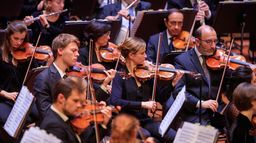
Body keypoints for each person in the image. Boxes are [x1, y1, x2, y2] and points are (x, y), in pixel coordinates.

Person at [110, 37, 183, 142]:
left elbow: (161, 98)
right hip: (127, 122)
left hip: (145, 120)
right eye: (142, 53)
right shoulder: (120, 76)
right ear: (131, 55)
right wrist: (142, 104)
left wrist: (172, 84)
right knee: (147, 136)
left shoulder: (146, 74)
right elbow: (115, 101)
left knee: (174, 136)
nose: (146, 56)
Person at [0, 21, 51, 125]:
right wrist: (5, 94)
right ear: (8, 37)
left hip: (22, 97)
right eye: (16, 38)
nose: (19, 42)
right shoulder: (1, 54)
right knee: (12, 122)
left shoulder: (26, 54)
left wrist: (48, 61)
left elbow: (36, 73)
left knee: (41, 115)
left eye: (22, 39)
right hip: (4, 97)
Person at [173, 25, 223, 126]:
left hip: (217, 107)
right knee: (204, 135)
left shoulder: (218, 58)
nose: (213, 46)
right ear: (197, 41)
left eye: (215, 41)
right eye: (209, 42)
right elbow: (179, 92)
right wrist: (201, 103)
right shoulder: (182, 60)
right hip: (196, 111)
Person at [40, 76, 113, 143]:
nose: (79, 106)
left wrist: (103, 124)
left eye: (82, 102)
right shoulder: (53, 128)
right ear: (61, 98)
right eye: (75, 101)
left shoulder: (68, 116)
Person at [33, 33, 80, 118]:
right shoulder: (43, 78)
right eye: (73, 50)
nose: (77, 54)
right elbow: (46, 113)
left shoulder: (72, 76)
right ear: (60, 51)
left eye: (77, 51)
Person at [78, 21, 117, 102]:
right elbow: (83, 79)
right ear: (97, 36)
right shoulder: (83, 53)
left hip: (111, 90)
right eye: (106, 35)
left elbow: (115, 71)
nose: (109, 38)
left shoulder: (110, 53)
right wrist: (103, 86)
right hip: (93, 94)